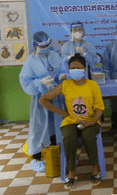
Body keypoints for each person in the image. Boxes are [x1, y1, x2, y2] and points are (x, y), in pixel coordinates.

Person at [39, 53, 104, 189]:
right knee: (69, 138)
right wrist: (63, 113)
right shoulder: (65, 85)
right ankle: (72, 172)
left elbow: (99, 108)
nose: (75, 70)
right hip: (70, 122)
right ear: (68, 70)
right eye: (72, 68)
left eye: (78, 68)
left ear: (84, 69)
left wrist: (93, 122)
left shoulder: (92, 85)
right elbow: (43, 99)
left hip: (90, 121)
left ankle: (95, 169)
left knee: (88, 136)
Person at [19, 31, 66, 171]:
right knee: (39, 127)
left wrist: (61, 76)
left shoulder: (54, 55)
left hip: (56, 97)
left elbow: (61, 70)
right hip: (40, 99)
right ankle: (37, 158)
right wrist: (40, 82)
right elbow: (25, 82)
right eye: (42, 46)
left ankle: (55, 154)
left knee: (55, 126)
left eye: (47, 45)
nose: (45, 48)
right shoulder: (31, 60)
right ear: (35, 46)